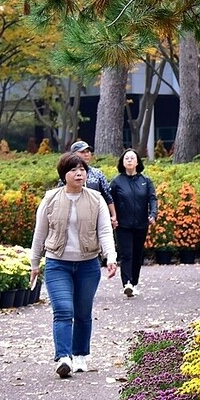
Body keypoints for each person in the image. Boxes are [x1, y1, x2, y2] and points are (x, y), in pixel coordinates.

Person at [30, 152, 117, 378]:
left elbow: (105, 231)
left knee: (83, 312)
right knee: (63, 310)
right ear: (63, 174)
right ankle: (63, 357)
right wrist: (34, 263)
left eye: (82, 170)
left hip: (88, 264)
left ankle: (80, 355)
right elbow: (40, 233)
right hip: (57, 263)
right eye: (73, 170)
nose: (79, 174)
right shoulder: (50, 199)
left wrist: (110, 257)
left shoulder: (96, 199)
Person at [109, 148, 158, 298]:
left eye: (132, 158)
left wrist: (153, 214)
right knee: (126, 254)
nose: (129, 160)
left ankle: (134, 282)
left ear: (137, 161)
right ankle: (127, 284)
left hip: (141, 224)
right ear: (122, 163)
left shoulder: (145, 181)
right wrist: (112, 217)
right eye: (126, 158)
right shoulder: (116, 182)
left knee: (137, 255)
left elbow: (152, 199)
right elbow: (109, 201)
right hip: (123, 225)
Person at [60, 141, 118, 229]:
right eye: (82, 152)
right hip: (72, 217)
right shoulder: (67, 173)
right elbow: (60, 195)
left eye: (88, 152)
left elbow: (107, 195)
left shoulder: (97, 173)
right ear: (73, 154)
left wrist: (113, 216)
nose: (86, 154)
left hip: (96, 216)